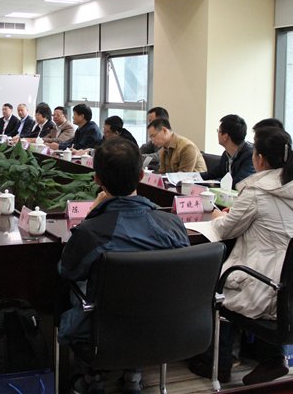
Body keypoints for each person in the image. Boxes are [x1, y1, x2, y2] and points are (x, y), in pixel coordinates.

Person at [59, 138, 190, 394]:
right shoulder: (173, 225)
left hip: (103, 330)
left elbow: (67, 270)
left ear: (97, 179)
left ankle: (94, 378)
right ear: (141, 176)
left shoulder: (92, 232)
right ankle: (133, 374)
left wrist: (92, 214)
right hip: (164, 325)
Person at [204, 126, 293, 385]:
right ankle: (272, 358)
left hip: (265, 283)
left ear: (261, 159)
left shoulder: (257, 191)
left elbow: (225, 229)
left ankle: (219, 363)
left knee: (213, 282)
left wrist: (217, 215)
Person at [201, 114, 255, 189]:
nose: (217, 134)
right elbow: (213, 174)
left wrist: (214, 182)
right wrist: (189, 177)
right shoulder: (226, 154)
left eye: (218, 131)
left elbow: (239, 182)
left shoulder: (250, 155)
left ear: (225, 137)